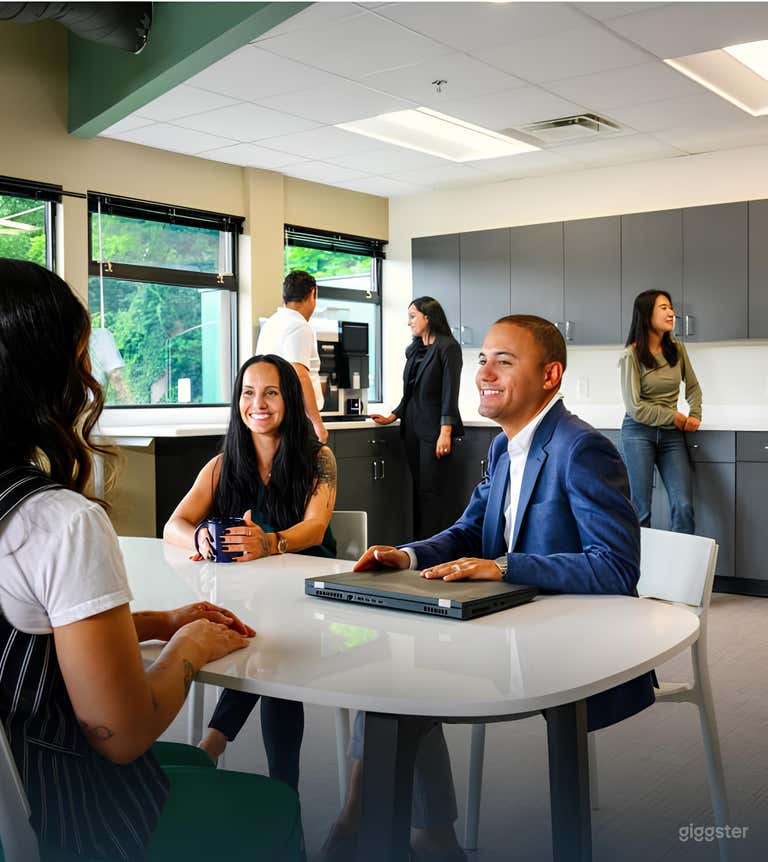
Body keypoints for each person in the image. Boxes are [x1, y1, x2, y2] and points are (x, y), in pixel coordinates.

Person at [322, 315, 655, 862]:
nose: (484, 372)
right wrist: (405, 554)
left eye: (504, 360)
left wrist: (504, 567)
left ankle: (363, 825)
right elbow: (470, 531)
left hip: (570, 649)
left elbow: (616, 567)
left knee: (398, 686)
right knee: (389, 678)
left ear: (550, 375)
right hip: (504, 631)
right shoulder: (502, 448)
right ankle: (419, 833)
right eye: (482, 359)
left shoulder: (581, 450)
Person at [0, 259, 303, 861]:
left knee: (193, 761)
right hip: (74, 815)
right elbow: (121, 734)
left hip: (19, 784)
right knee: (276, 804)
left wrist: (158, 623)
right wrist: (187, 644)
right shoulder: (60, 522)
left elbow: (31, 629)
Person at [163, 353, 337, 780]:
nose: (258, 403)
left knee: (267, 642)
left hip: (308, 592)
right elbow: (174, 525)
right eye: (248, 392)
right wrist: (200, 537)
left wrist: (270, 543)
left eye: (271, 393)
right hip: (249, 596)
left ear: (289, 400)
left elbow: (315, 528)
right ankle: (282, 788)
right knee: (264, 644)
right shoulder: (223, 464)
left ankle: (214, 743)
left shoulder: (319, 459)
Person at [371, 296, 463, 540]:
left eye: (412, 316)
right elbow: (410, 392)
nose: (408, 322)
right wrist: (393, 415)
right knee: (418, 492)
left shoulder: (448, 347)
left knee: (431, 493)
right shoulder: (415, 350)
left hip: (434, 431)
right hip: (412, 428)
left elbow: (449, 392)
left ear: (428, 317)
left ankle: (433, 548)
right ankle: (418, 547)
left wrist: (446, 431)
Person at [619, 290, 702, 533]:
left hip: (671, 436)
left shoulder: (677, 349)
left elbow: (693, 387)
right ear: (647, 315)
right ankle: (640, 569)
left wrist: (695, 413)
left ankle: (682, 568)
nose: (671, 312)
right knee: (641, 509)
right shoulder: (631, 356)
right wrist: (673, 416)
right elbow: (635, 407)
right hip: (638, 433)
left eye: (670, 307)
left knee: (684, 505)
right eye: (663, 307)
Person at [257, 268, 328, 443]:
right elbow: (300, 374)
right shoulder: (299, 325)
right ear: (313, 293)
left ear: (285, 296)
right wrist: (318, 423)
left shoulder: (271, 324)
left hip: (275, 415)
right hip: (297, 419)